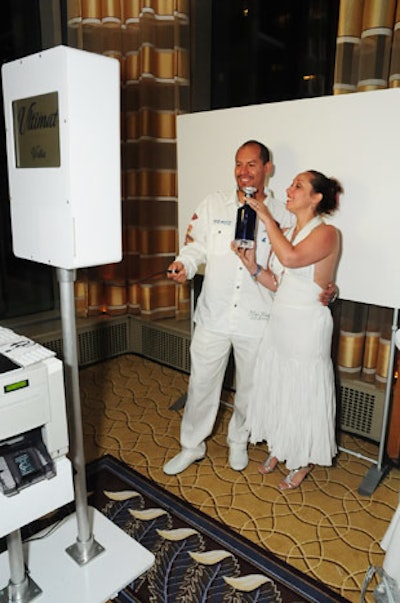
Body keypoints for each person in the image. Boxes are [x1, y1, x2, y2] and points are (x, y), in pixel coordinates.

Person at [163, 142, 336, 476]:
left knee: (250, 389)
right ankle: (191, 446)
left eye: (252, 164)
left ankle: (238, 441)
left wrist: (329, 287)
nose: (244, 171)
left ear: (267, 169)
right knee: (201, 384)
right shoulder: (214, 203)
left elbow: (301, 265)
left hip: (258, 319)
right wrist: (183, 264)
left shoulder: (285, 213)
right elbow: (195, 246)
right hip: (214, 314)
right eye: (239, 164)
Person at [236, 169, 342, 490]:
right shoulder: (285, 231)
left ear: (316, 197)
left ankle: (304, 458)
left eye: (298, 186)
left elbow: (293, 259)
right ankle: (281, 445)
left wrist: (266, 218)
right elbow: (278, 282)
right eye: (291, 184)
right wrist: (252, 265)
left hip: (307, 326)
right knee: (279, 385)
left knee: (304, 391)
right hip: (280, 321)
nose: (289, 189)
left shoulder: (328, 233)